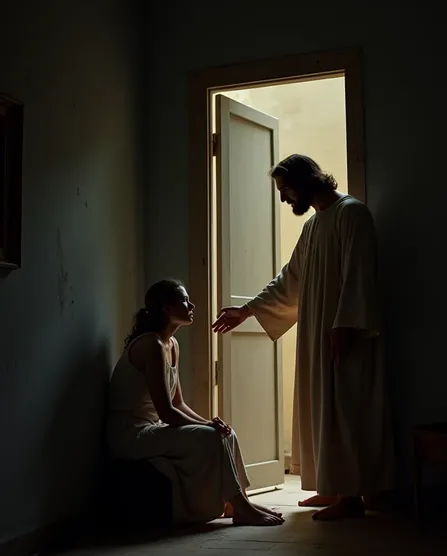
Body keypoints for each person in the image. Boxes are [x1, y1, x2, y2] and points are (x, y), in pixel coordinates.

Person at [213, 154, 394, 521]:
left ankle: (352, 497)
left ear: (305, 181)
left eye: (286, 189)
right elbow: (290, 279)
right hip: (318, 331)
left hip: (345, 332)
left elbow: (359, 274)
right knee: (322, 408)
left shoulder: (351, 213)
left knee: (345, 408)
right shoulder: (313, 225)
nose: (284, 198)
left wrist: (345, 325)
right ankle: (332, 485)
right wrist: (247, 310)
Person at [107, 279, 284, 526]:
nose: (192, 305)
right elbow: (167, 412)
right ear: (167, 308)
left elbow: (178, 403)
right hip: (131, 435)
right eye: (184, 301)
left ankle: (238, 503)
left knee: (227, 433)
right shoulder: (150, 344)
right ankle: (241, 507)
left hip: (153, 427)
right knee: (211, 436)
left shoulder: (172, 345)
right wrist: (207, 427)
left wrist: (211, 423)